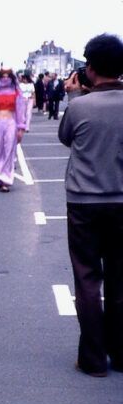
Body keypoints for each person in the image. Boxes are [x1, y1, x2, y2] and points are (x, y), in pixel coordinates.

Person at [57, 33, 123, 377]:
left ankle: (93, 359)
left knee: (87, 279)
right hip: (121, 200)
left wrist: (74, 97)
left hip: (83, 201)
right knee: (119, 278)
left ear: (91, 67)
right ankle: (121, 351)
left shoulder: (80, 105)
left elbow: (66, 137)